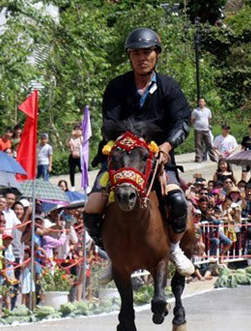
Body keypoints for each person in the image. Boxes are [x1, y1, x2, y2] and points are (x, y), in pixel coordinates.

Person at [83, 27, 195, 283]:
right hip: (122, 158)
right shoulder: (116, 86)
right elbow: (109, 123)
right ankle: (113, 255)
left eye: (147, 52)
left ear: (156, 54)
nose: (141, 58)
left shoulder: (169, 87)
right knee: (91, 210)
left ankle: (174, 248)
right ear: (129, 57)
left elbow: (182, 122)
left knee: (178, 203)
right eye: (136, 54)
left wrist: (166, 146)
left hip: (157, 158)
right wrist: (130, 142)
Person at [191, 97, 219, 163]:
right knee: (198, 144)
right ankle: (198, 158)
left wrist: (207, 125)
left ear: (205, 103)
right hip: (198, 129)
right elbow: (192, 120)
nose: (201, 103)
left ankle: (213, 157)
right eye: (199, 101)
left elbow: (209, 119)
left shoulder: (208, 110)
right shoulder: (195, 111)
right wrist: (196, 125)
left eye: (202, 101)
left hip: (206, 129)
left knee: (209, 143)